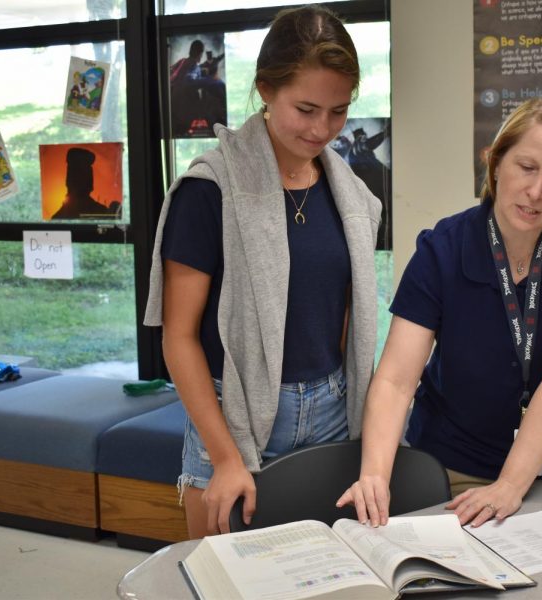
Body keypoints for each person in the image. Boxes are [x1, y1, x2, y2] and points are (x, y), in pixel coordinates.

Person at [337, 98, 542, 599]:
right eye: (526, 167)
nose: (536, 191)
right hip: (454, 461)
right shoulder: (443, 247)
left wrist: (512, 484)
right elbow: (397, 378)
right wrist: (376, 475)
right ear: (495, 162)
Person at [144, 4, 382, 539]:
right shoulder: (209, 191)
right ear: (265, 90)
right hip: (233, 416)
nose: (323, 129)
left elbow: (340, 316)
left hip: (332, 413)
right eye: (306, 108)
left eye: (339, 111)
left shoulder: (351, 195)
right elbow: (179, 338)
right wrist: (226, 459)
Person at [51, 147, 118, 219]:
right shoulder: (102, 212)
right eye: (77, 172)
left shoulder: (102, 212)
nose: (80, 178)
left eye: (84, 173)